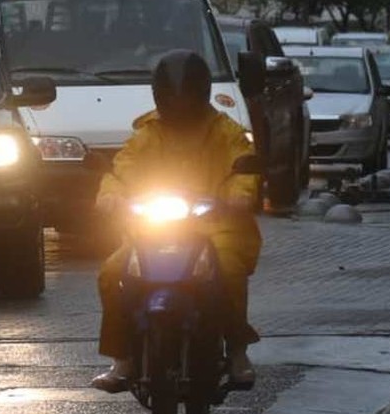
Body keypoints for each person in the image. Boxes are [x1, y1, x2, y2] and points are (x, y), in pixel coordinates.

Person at [91, 51, 263, 392]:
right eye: (174, 99)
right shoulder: (146, 133)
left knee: (227, 270)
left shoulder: (226, 131)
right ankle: (123, 357)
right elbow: (120, 172)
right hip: (152, 228)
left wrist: (240, 194)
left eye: (187, 98)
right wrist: (111, 196)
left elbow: (241, 167)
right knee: (112, 273)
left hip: (215, 228)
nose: (181, 107)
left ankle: (237, 350)